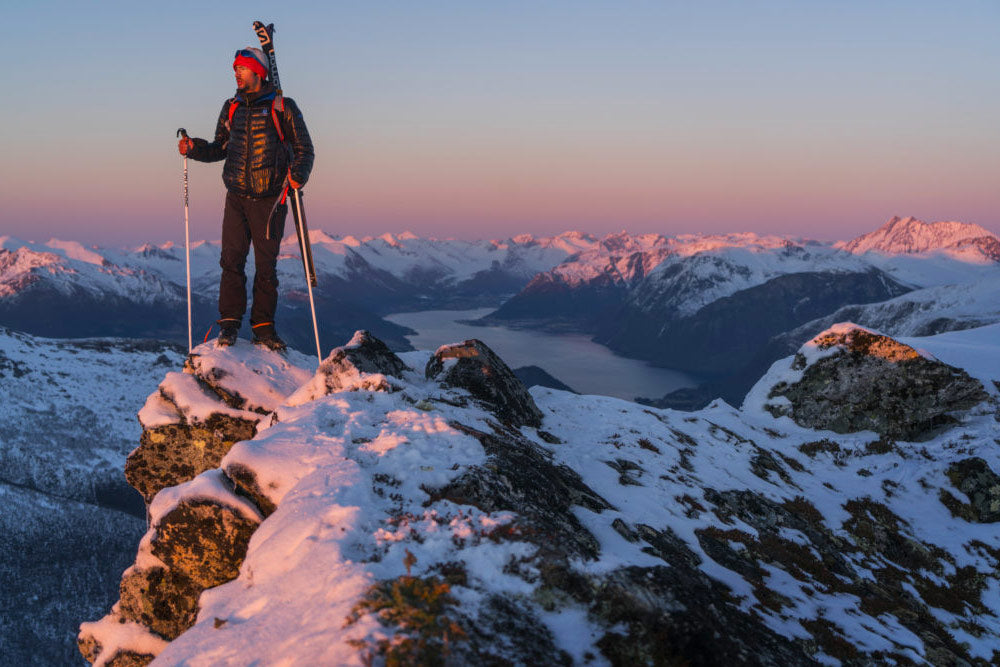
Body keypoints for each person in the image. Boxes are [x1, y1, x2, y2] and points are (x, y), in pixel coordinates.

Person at [177, 47, 314, 350]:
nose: (236, 73)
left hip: (271, 198)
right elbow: (220, 147)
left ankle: (263, 329)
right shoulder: (231, 107)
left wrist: (297, 176)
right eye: (235, 68)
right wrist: (194, 149)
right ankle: (229, 325)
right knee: (231, 262)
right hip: (236, 196)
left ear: (258, 71)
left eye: (241, 67)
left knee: (266, 267)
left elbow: (305, 149)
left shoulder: (283, 107)